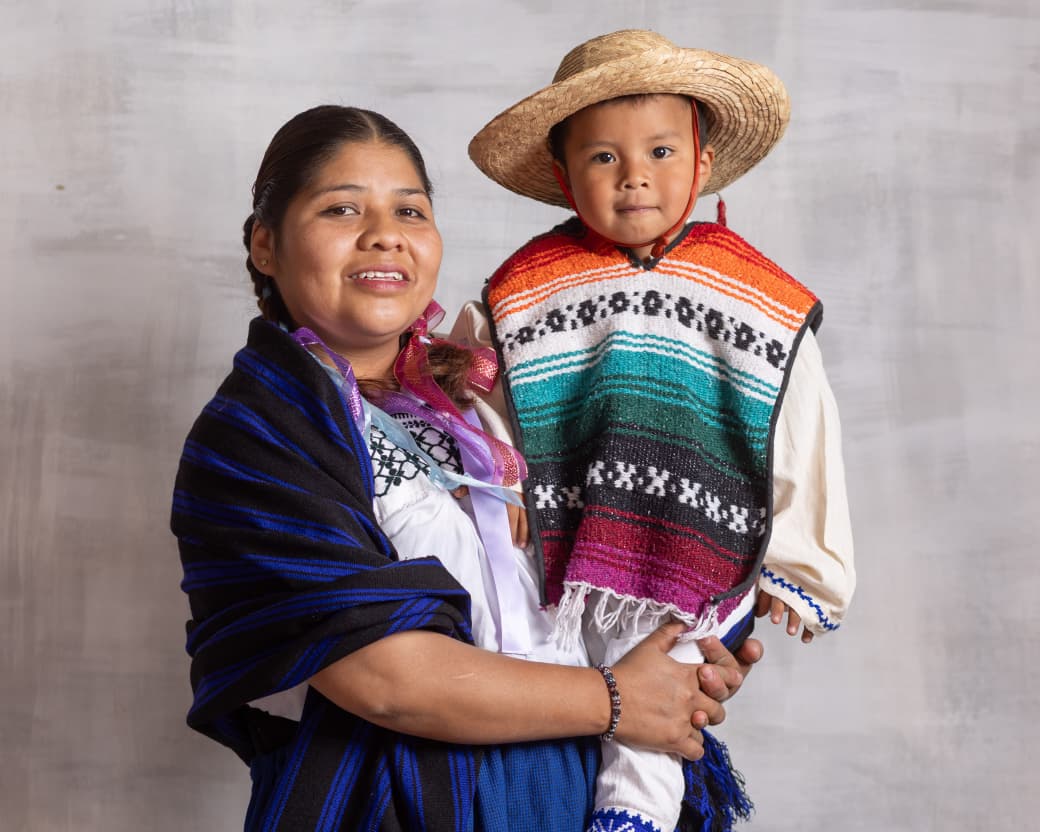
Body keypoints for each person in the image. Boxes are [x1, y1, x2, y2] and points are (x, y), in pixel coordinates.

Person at [170, 104, 762, 832]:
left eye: (410, 210)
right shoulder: (256, 435)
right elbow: (385, 680)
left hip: (578, 786)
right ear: (266, 244)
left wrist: (681, 666)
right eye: (342, 208)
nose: (385, 233)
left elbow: (607, 576)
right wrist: (620, 699)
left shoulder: (496, 400)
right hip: (401, 802)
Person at [466, 30, 856, 832]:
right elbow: (491, 395)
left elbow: (798, 422)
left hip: (696, 533)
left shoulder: (755, 294)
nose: (634, 174)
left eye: (661, 151)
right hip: (568, 537)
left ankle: (633, 814)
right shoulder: (526, 288)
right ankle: (544, 800)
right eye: (603, 157)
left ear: (702, 164)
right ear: (564, 176)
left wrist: (799, 563)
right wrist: (503, 475)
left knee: (670, 665)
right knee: (550, 666)